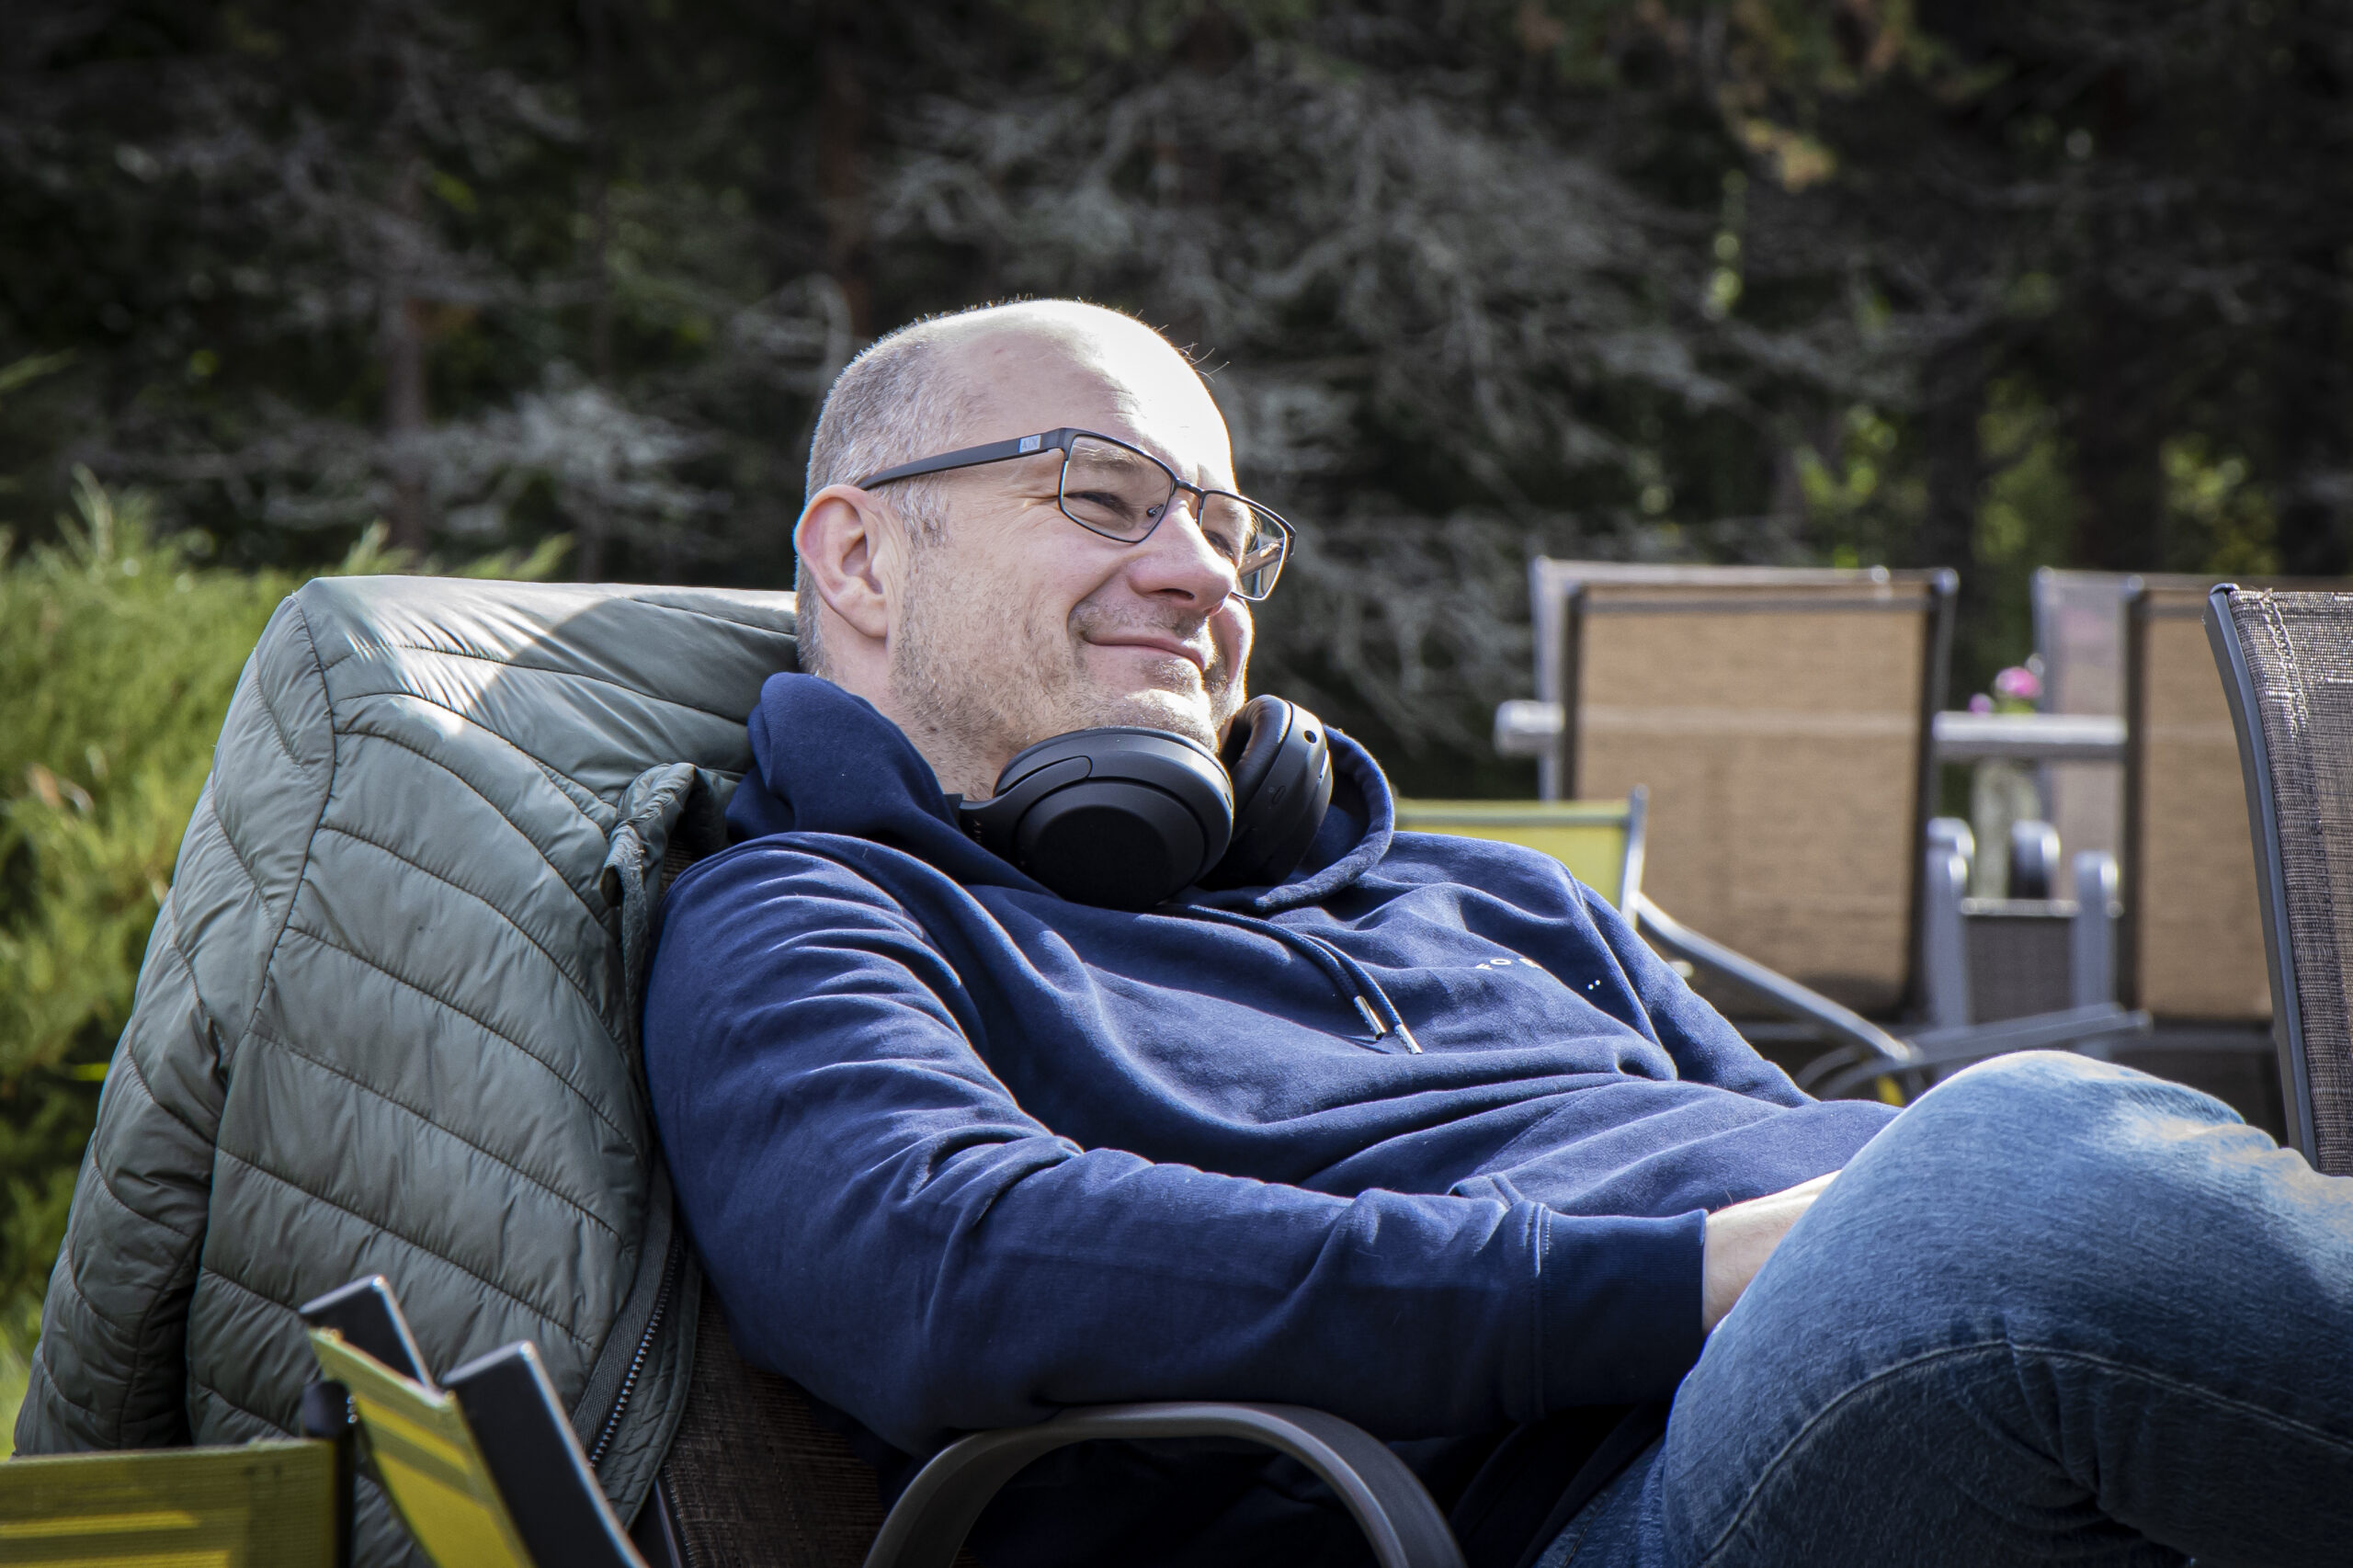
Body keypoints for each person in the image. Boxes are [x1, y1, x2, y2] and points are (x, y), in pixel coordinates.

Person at [642, 299, 2353, 1568]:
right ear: (861, 559)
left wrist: (1882, 1222)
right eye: (1103, 495)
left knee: (2012, 1172)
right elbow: (941, 1258)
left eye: (1224, 528)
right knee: (2007, 1159)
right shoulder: (809, 912)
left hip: (1921, 1405)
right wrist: (1678, 1276)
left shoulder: (1499, 894)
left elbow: (1833, 1171)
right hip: (1574, 1511)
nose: (1203, 577)